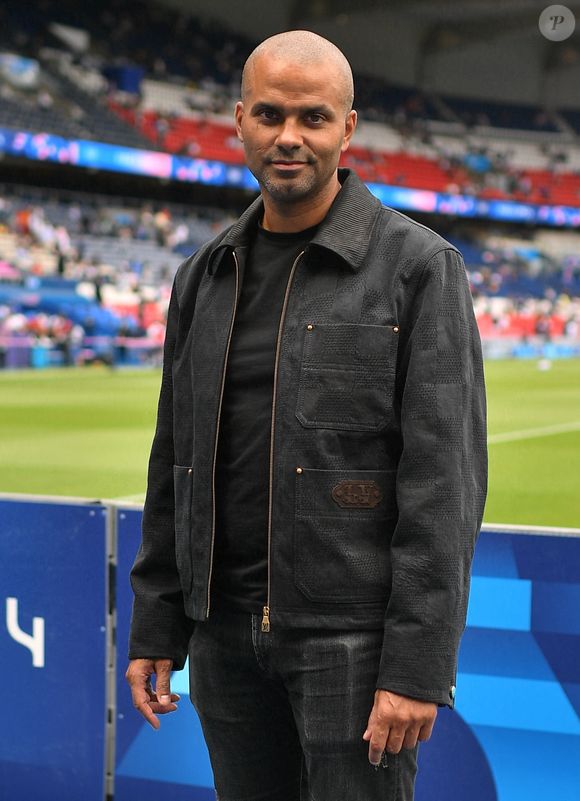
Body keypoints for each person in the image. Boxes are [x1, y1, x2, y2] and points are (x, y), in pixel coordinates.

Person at [126, 30, 487, 801]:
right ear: (240, 121)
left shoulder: (419, 269)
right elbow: (175, 460)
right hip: (222, 638)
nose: (289, 136)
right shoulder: (204, 275)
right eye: (270, 114)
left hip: (350, 646)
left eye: (313, 118)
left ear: (348, 129)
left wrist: (418, 667)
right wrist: (157, 622)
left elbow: (443, 486)